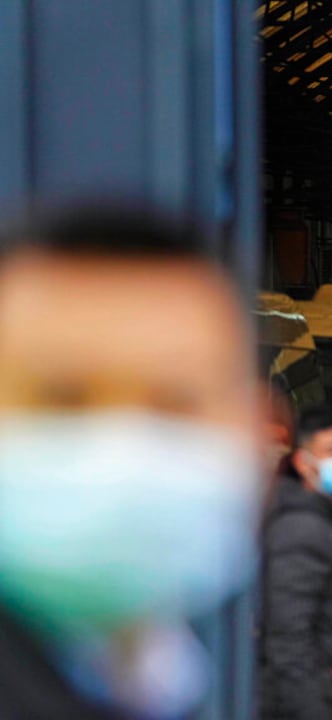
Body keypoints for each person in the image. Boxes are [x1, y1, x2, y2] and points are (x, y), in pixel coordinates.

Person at [0, 207, 262, 719]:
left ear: (254, 429)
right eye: (63, 398)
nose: (120, 447)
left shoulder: (161, 683)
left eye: (174, 401)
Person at [258, 404, 332, 720]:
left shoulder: (329, 522)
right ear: (303, 462)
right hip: (323, 703)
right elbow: (289, 643)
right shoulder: (301, 531)